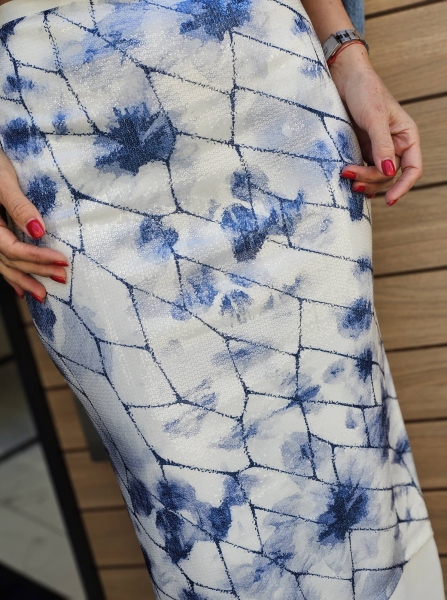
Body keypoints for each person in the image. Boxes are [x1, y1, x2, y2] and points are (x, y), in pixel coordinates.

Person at [0, 0, 444, 598]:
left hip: (265, 83)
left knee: (349, 442)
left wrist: (345, 52)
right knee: (193, 499)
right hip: (56, 124)